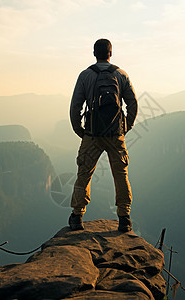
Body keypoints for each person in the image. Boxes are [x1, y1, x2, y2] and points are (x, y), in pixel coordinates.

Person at [69, 38, 138, 232]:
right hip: (116, 134)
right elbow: (133, 104)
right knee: (121, 173)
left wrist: (80, 130)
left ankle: (77, 216)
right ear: (111, 53)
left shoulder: (85, 75)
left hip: (92, 134)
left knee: (85, 173)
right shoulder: (121, 74)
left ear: (94, 53)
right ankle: (124, 218)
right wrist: (126, 126)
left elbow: (76, 106)